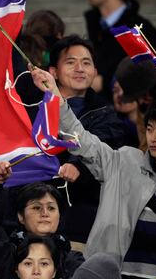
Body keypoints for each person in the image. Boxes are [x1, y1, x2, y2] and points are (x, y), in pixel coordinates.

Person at [29, 66, 156, 278]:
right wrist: (56, 98)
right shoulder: (124, 162)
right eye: (150, 129)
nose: (153, 137)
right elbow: (83, 141)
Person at [47, 35, 125, 248]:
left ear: (95, 71)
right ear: (53, 72)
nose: (80, 69)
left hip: (86, 220)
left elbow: (106, 147)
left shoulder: (107, 113)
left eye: (86, 63)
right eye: (71, 62)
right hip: (39, 218)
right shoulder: (36, 109)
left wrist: (77, 165)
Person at [0, 163, 84, 279]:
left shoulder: (73, 261)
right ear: (21, 217)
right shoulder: (6, 254)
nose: (45, 213)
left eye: (51, 208)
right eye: (36, 208)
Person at [83, 0, 156, 101]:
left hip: (129, 108)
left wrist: (104, 83)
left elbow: (152, 73)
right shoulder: (96, 26)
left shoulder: (139, 29)